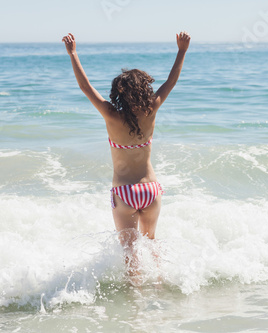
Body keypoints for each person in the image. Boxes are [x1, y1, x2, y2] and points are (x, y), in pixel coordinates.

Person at [62, 31, 190, 278]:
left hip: (125, 193)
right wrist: (182, 50)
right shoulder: (151, 110)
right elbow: (171, 82)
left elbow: (84, 87)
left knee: (130, 253)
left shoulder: (111, 115)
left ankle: (136, 303)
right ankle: (160, 285)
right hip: (151, 190)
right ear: (144, 91)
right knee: (151, 242)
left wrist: (73, 54)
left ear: (119, 92)